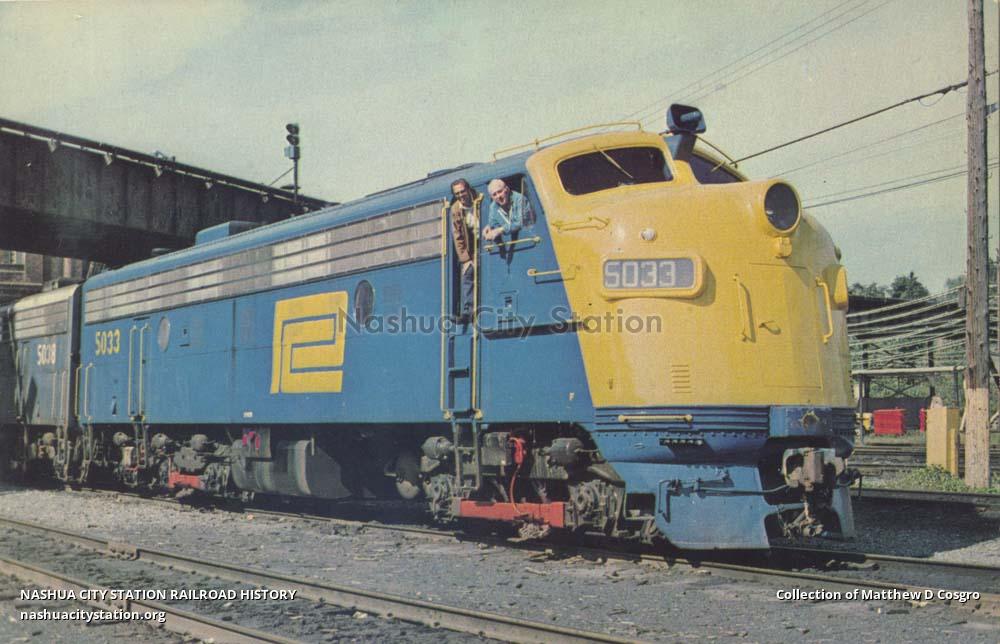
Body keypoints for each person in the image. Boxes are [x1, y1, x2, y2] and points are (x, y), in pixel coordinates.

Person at [449, 178, 479, 321]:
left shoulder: (479, 199)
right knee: (467, 272)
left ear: (468, 189)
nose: (460, 195)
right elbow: (458, 236)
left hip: (484, 241)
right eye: (457, 194)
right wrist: (465, 259)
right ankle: (468, 311)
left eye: (462, 191)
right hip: (471, 245)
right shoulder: (455, 209)